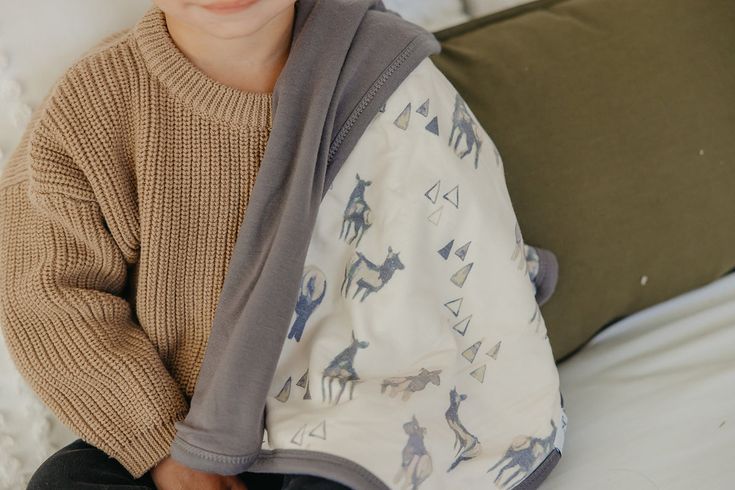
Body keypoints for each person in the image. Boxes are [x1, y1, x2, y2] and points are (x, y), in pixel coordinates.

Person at [0, 0, 562, 489]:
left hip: (352, 408)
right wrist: (162, 445)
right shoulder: (91, 108)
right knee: (63, 480)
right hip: (187, 418)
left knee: (348, 475)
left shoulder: (381, 70)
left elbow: (455, 232)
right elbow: (47, 294)